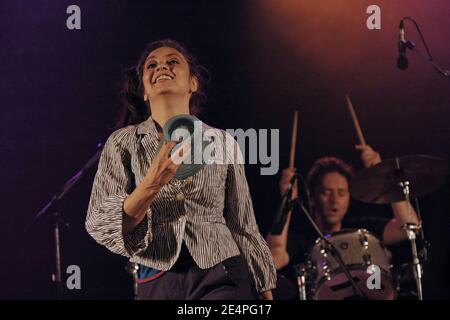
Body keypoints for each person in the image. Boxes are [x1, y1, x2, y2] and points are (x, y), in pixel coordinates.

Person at [86, 39, 276, 300]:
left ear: (193, 83)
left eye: (173, 61)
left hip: (220, 271)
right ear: (143, 90)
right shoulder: (123, 142)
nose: (162, 66)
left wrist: (265, 290)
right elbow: (99, 220)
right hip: (156, 276)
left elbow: (243, 224)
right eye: (152, 65)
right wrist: (151, 183)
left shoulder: (221, 141)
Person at [266, 144, 420, 299]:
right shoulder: (301, 239)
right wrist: (287, 201)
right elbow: (273, 259)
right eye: (326, 192)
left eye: (341, 193)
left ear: (349, 197)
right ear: (312, 198)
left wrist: (385, 178)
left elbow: (409, 226)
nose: (334, 200)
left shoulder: (363, 232)